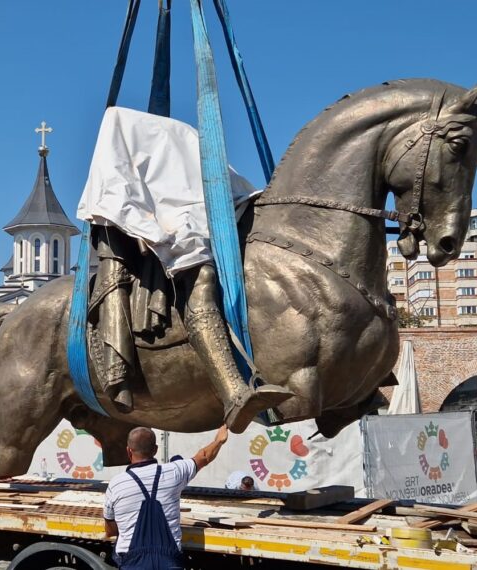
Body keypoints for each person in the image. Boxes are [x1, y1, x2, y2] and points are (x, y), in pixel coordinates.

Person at [78, 108, 293, 430]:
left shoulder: (178, 143)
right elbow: (126, 208)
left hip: (202, 217)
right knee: (200, 283)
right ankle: (234, 391)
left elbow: (229, 189)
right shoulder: (137, 150)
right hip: (180, 229)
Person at [104, 425, 229, 568]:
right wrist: (219, 440)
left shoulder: (116, 484)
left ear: (128, 451)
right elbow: (204, 456)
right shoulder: (174, 472)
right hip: (168, 562)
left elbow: (110, 530)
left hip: (133, 563)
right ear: (155, 450)